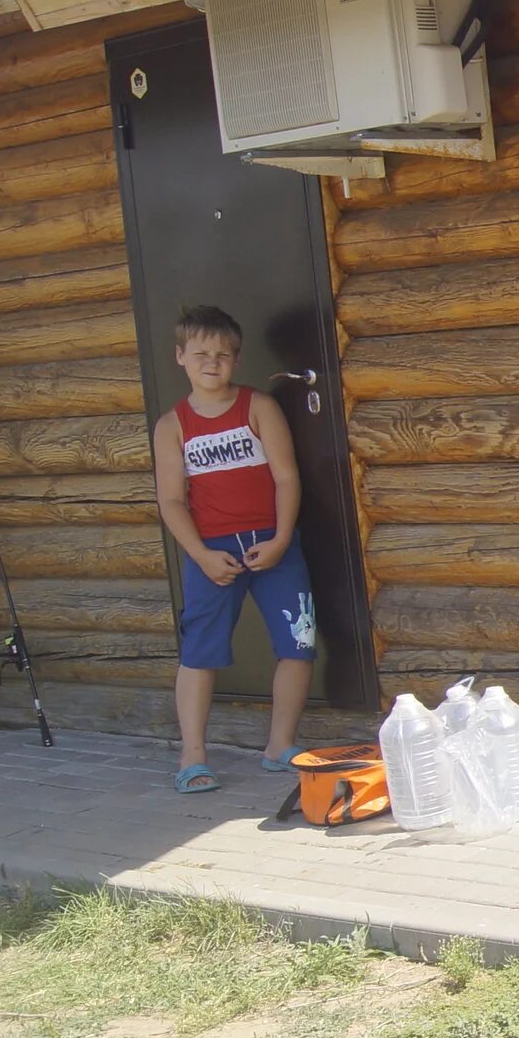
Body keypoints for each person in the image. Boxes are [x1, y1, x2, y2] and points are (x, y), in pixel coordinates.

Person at [148, 305, 314, 794]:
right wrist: (200, 554)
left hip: (273, 543)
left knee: (298, 644)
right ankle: (193, 755)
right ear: (180, 357)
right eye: (200, 353)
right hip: (212, 552)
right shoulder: (172, 426)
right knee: (199, 651)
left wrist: (282, 538)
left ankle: (280, 745)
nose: (211, 362)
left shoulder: (258, 407)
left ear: (236, 361)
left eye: (223, 354)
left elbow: (286, 477)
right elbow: (172, 500)